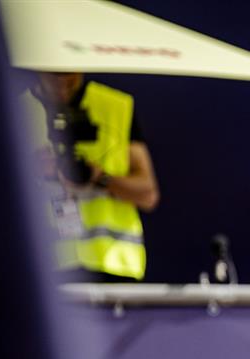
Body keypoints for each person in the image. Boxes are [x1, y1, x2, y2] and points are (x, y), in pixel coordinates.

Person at [23, 72, 160, 282]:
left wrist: (100, 177)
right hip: (45, 267)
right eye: (55, 79)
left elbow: (148, 195)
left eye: (70, 82)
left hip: (114, 265)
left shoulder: (116, 106)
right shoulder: (17, 110)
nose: (62, 91)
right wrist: (30, 171)